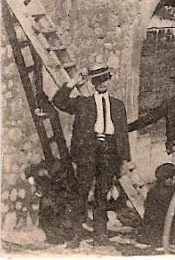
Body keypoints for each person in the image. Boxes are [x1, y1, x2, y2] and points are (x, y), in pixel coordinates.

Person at [51, 66, 135, 246]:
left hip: (109, 153)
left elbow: (122, 134)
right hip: (88, 153)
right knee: (81, 193)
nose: (102, 83)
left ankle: (100, 233)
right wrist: (73, 82)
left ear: (109, 81)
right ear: (93, 83)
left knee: (102, 193)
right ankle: (76, 233)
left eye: (105, 79)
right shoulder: (83, 103)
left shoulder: (118, 105)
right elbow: (58, 101)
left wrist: (125, 158)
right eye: (98, 80)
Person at [138, 162, 175, 248]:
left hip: (151, 225)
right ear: (165, 179)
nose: (172, 181)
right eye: (170, 178)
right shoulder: (165, 192)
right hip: (159, 227)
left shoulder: (154, 190)